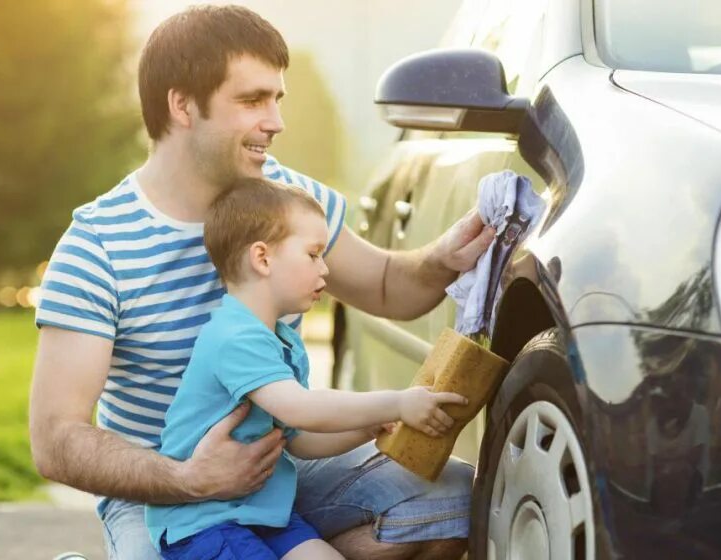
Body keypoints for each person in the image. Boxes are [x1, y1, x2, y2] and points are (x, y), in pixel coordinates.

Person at [28, 5, 495, 560]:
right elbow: (56, 438)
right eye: (251, 100)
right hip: (159, 493)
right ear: (182, 105)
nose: (275, 121)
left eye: (277, 98)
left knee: (454, 502)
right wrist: (191, 479)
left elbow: (391, 286)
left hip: (281, 465)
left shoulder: (292, 203)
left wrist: (443, 259)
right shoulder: (97, 245)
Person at [146, 178, 469, 559]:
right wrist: (395, 404)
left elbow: (299, 439)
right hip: (205, 522)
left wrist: (364, 428)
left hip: (262, 513)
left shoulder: (279, 337)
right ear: (263, 258)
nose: (325, 269)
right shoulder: (234, 337)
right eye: (313, 254)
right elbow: (302, 408)